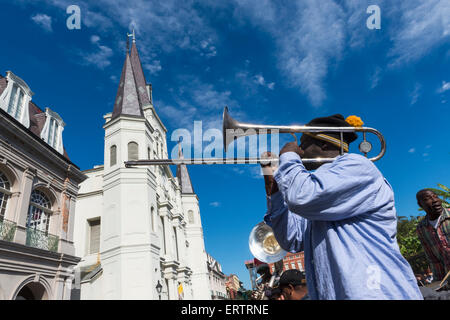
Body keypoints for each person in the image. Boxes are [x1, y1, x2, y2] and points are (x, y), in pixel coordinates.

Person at [261, 114, 422, 300]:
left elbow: (301, 196)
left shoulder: (357, 165)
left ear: (324, 144)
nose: (300, 151)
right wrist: (272, 188)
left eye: (303, 144)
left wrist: (289, 155)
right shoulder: (321, 195)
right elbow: (292, 240)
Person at [416, 189, 450, 282]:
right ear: (420, 204)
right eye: (428, 198)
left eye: (435, 196)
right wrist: (439, 283)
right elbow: (433, 260)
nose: (435, 200)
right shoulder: (422, 229)